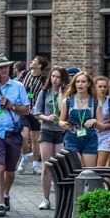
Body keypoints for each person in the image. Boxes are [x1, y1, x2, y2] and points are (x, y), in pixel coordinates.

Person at [0, 54, 30, 217]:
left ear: (9, 68)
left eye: (5, 67)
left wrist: (12, 106)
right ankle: (0, 202)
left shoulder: (18, 86)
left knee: (10, 170)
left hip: (13, 131)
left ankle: (6, 193)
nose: (3, 70)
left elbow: (26, 109)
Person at [32, 66, 69, 209]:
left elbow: (62, 107)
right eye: (53, 76)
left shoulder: (66, 94)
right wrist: (46, 118)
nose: (54, 79)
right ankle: (46, 199)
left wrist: (60, 93)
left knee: (60, 165)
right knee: (46, 165)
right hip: (47, 130)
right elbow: (36, 112)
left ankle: (61, 198)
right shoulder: (44, 91)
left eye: (58, 77)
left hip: (60, 131)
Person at [59, 70, 105, 169]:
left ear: (88, 84)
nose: (80, 84)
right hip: (71, 138)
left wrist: (95, 121)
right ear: (74, 84)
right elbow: (61, 120)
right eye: (78, 82)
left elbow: (102, 127)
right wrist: (62, 123)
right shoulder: (67, 101)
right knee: (76, 167)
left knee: (88, 171)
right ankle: (74, 185)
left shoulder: (95, 102)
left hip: (90, 139)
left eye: (83, 82)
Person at [18, 55, 47, 174]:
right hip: (23, 109)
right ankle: (24, 158)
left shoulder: (43, 78)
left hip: (35, 111)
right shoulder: (25, 74)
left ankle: (35, 165)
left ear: (39, 65)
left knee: (35, 139)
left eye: (34, 61)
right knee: (24, 136)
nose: (31, 62)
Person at [92, 76, 110, 167]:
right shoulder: (90, 101)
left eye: (104, 87)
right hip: (91, 135)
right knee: (91, 166)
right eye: (100, 87)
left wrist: (105, 127)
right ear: (94, 87)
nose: (102, 89)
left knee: (100, 166)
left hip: (106, 135)